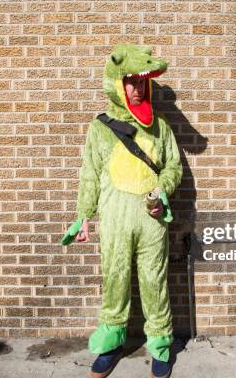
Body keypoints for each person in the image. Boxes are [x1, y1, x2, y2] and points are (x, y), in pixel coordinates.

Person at [73, 43, 183, 378]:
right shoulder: (101, 128)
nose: (137, 89)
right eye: (131, 82)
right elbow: (89, 173)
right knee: (115, 282)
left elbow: (173, 167)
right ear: (118, 84)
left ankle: (161, 345)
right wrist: (83, 216)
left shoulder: (160, 127)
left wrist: (161, 189)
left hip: (151, 220)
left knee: (155, 283)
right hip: (115, 219)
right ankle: (110, 346)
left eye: (141, 82)